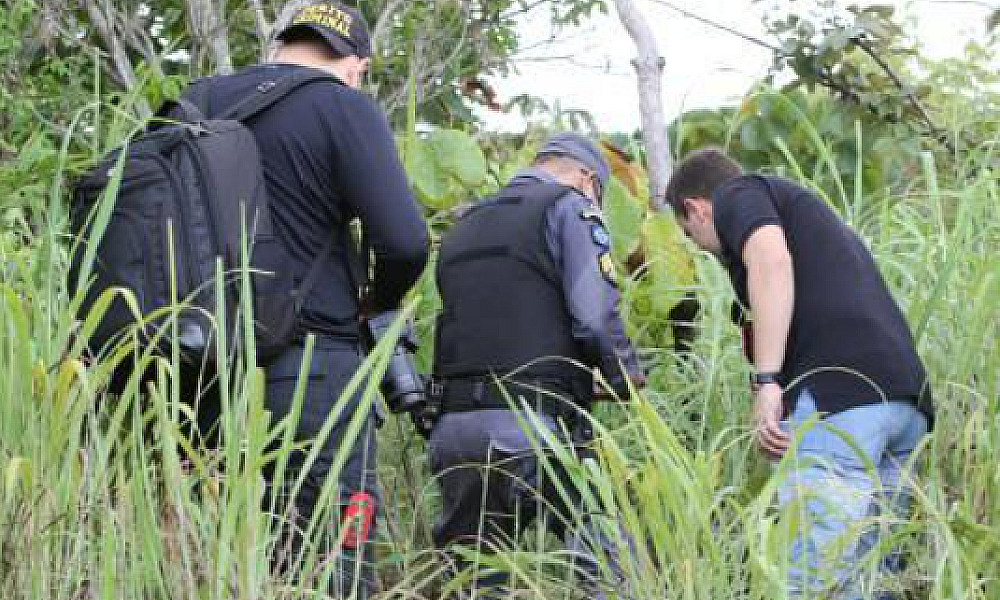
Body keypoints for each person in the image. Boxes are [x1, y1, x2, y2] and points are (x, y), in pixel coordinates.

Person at [181, 3, 430, 597]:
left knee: (219, 553)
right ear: (355, 67)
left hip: (197, 369)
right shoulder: (341, 105)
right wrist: (377, 300)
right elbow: (404, 241)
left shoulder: (195, 102)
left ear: (279, 47)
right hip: (311, 367)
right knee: (328, 560)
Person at [664, 148, 933, 600]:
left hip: (841, 402)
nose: (700, 247)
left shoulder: (739, 193)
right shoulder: (810, 219)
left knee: (809, 575)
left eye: (691, 234)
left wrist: (767, 381)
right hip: (905, 403)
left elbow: (770, 262)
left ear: (696, 207)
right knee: (872, 576)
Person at [429, 132, 644, 599]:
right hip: (537, 425)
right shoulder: (570, 207)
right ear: (588, 180)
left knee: (474, 581)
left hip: (454, 429)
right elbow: (593, 316)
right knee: (608, 559)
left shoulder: (463, 225)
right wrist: (625, 376)